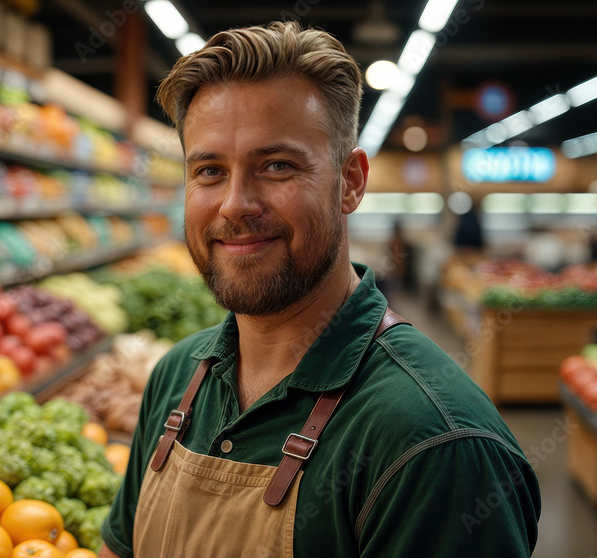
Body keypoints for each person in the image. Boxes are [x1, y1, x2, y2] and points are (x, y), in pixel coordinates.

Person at [100, 21, 540, 558]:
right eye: (210, 170)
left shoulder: (432, 442)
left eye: (277, 166)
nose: (235, 204)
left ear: (350, 182)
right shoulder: (175, 379)